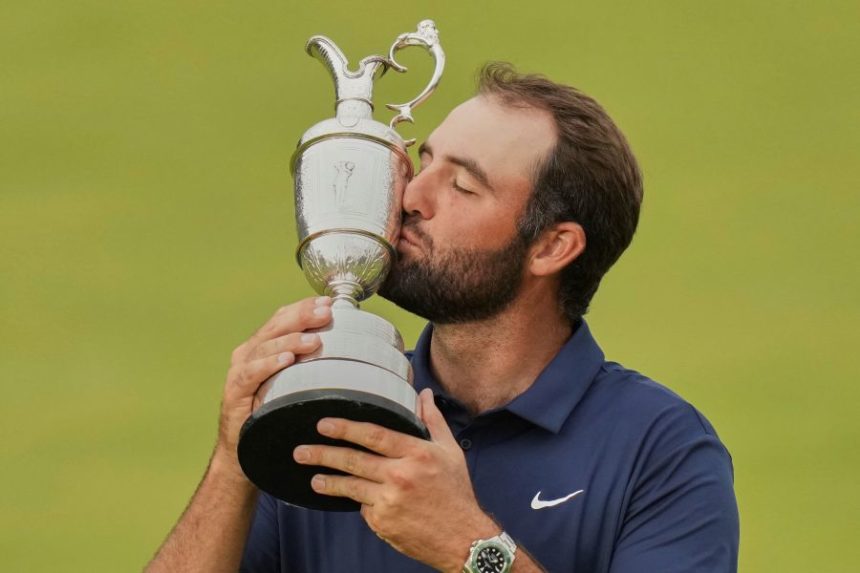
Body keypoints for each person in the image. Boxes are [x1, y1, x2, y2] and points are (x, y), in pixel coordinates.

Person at [146, 63, 739, 572]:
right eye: (423, 161)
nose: (409, 197)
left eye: (461, 185)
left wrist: (469, 546)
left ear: (552, 248)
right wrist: (233, 461)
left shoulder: (661, 450)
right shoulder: (327, 406)